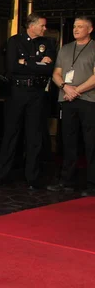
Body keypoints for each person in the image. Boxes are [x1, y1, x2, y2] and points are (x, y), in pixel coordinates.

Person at [0, 13, 56, 189]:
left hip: (37, 92)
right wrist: (37, 62)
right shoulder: (15, 41)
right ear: (32, 25)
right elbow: (12, 67)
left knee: (34, 135)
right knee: (11, 133)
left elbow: (49, 68)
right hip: (17, 91)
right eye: (42, 25)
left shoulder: (48, 43)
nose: (45, 29)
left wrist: (26, 62)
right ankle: (2, 175)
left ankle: (32, 178)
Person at [47, 16, 95, 196]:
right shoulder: (65, 49)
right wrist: (65, 87)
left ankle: (92, 184)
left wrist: (77, 90)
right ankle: (66, 180)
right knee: (68, 141)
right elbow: (56, 74)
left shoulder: (93, 48)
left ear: (89, 30)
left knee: (91, 143)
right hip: (67, 99)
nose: (76, 29)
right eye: (75, 26)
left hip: (89, 100)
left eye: (80, 27)